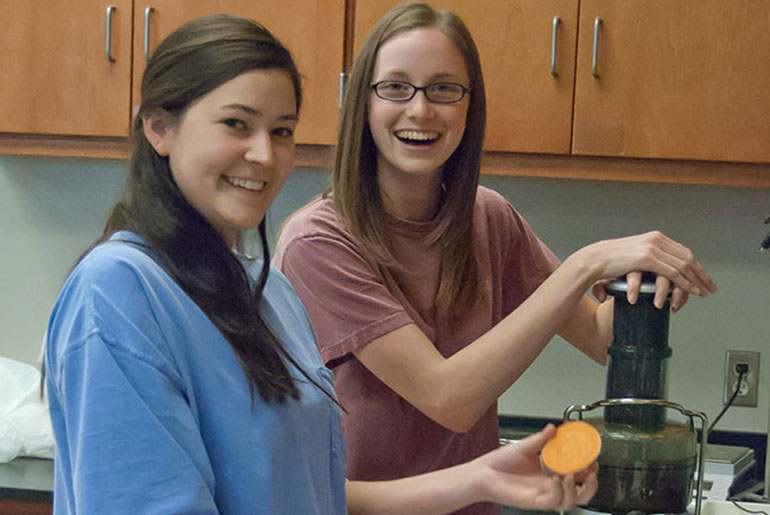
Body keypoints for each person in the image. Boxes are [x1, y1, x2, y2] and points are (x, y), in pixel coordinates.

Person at [43, 13, 598, 515]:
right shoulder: (117, 293)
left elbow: (320, 494)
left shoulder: (269, 296)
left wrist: (480, 478)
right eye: (236, 124)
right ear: (158, 128)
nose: (264, 154)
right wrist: (583, 268)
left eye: (282, 131)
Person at [273, 3, 717, 513]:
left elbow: (600, 337)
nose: (420, 110)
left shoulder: (488, 217)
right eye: (396, 87)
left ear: (469, 105)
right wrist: (585, 264)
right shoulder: (319, 242)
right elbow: (450, 400)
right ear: (362, 103)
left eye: (444, 88)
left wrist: (642, 280)